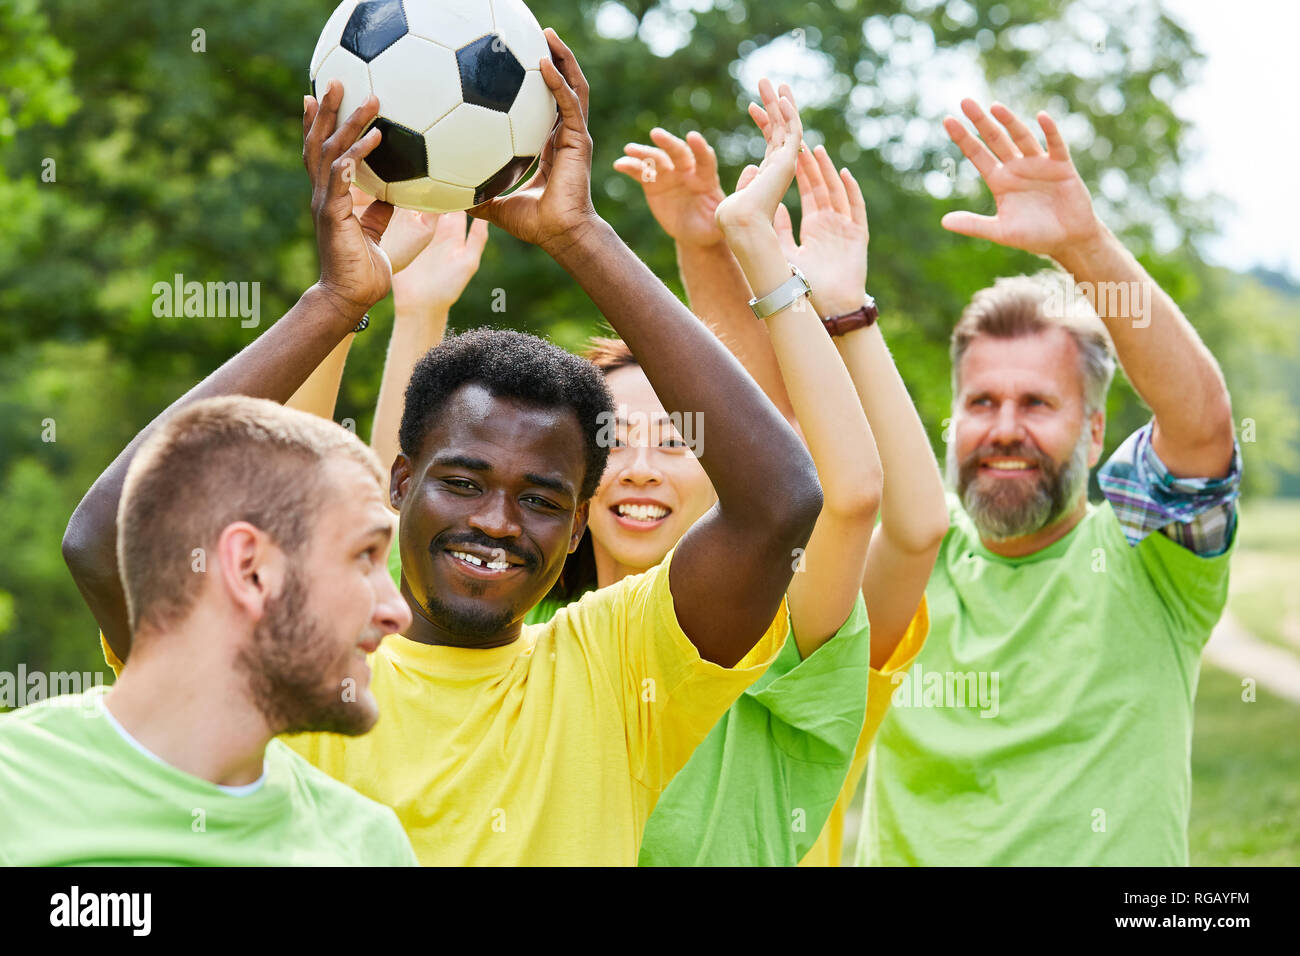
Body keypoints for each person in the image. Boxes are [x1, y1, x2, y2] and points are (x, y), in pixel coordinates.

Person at [64, 29, 820, 866]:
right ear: (399, 481)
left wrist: (580, 235)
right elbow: (104, 541)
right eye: (464, 482)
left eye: (540, 499)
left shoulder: (616, 665)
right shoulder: (292, 660)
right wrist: (333, 301)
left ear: (576, 530)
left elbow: (781, 502)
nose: (498, 521)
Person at [862, 100, 1241, 866]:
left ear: (1097, 432)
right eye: (982, 402)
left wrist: (1084, 248)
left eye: (1037, 403)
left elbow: (1201, 428)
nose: (1004, 428)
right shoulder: (908, 551)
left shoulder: (1149, 556)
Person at [604, 86, 948, 865]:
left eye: (673, 443)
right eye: (613, 441)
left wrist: (840, 309)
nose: (638, 469)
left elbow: (878, 505)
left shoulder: (789, 634)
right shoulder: (552, 641)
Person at [4, 397, 416, 865]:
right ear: (250, 568)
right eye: (365, 555)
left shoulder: (370, 846)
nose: (396, 611)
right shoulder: (11, 793)